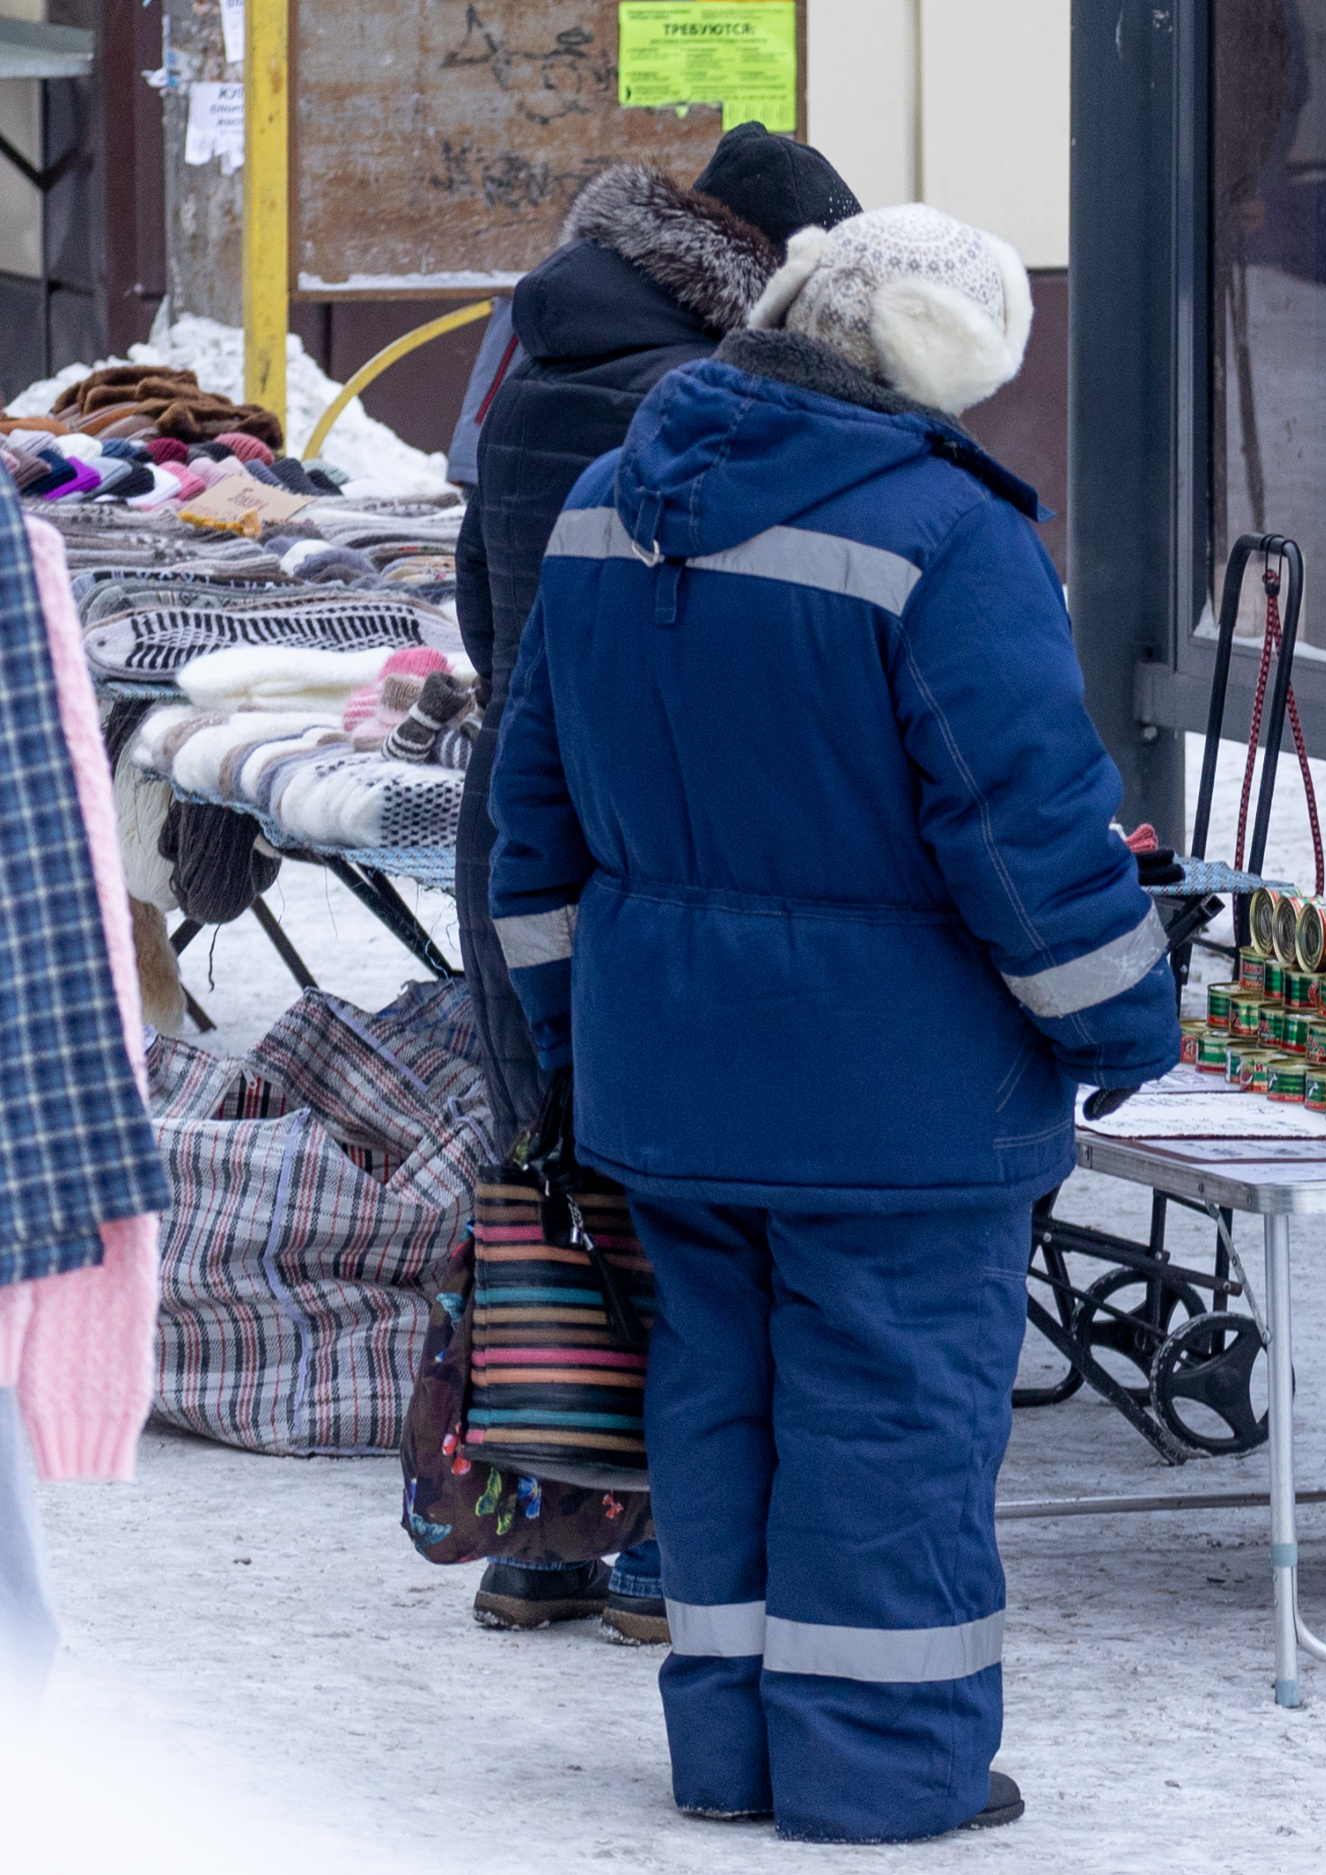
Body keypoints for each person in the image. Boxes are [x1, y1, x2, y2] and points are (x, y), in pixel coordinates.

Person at [489, 203, 1181, 1841]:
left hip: (671, 1082)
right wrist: (1122, 1025)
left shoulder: (608, 504)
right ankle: (876, 1776)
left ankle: (731, 1757)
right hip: (900, 1100)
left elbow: (531, 815)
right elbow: (1024, 826)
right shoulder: (947, 532)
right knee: (891, 1421)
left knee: (717, 1412)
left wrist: (582, 1028)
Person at [452, 123, 861, 1645]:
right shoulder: (691, 401)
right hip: (638, 825)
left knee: (546, 1166)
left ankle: (543, 1534)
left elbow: (484, 607)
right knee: (669, 1193)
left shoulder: (538, 353)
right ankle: (645, 1549)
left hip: (517, 806)